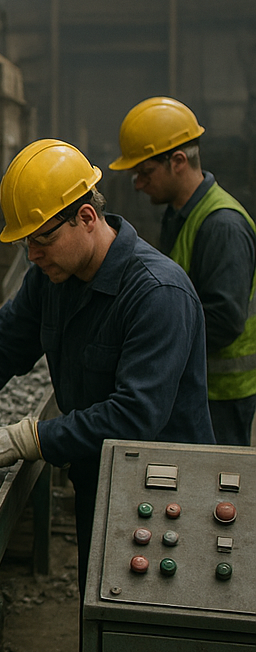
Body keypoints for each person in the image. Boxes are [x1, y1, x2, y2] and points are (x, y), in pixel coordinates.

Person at [0, 139, 214, 592]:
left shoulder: (156, 293)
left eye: (43, 240)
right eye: (26, 243)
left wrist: (28, 437)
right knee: (98, 618)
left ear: (86, 218)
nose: (33, 255)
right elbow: (3, 342)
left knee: (150, 631)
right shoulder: (53, 278)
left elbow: (135, 415)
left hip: (163, 494)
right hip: (96, 476)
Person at [109, 97, 256, 446]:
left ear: (177, 161)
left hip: (221, 395)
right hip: (196, 386)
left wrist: (152, 339)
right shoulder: (181, 215)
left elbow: (224, 321)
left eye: (145, 173)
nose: (138, 184)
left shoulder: (223, 226)